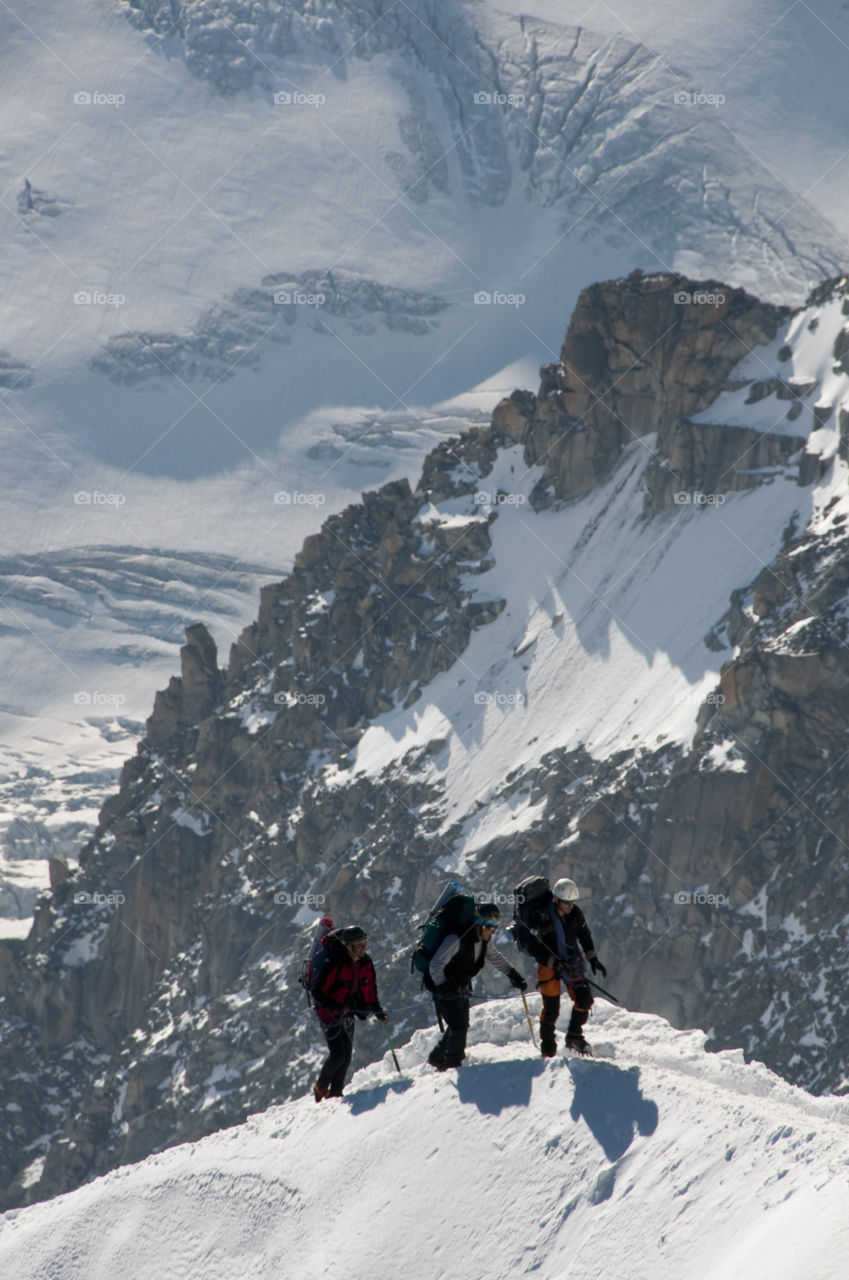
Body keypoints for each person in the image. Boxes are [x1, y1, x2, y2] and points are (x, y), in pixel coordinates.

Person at [426, 902, 527, 1071]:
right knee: (459, 1025)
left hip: (460, 987)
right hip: (443, 988)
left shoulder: (483, 941)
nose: (493, 931)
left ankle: (437, 1058)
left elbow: (496, 958)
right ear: (479, 922)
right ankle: (452, 1064)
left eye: (495, 926)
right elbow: (435, 965)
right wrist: (444, 988)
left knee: (461, 1023)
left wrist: (514, 975)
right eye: (490, 925)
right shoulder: (456, 939)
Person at [518, 878, 606, 1057]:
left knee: (585, 1000)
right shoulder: (541, 916)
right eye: (567, 902)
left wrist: (593, 958)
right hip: (549, 965)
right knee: (551, 1009)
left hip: (571, 962)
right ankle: (548, 1048)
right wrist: (554, 962)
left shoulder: (575, 914)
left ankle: (574, 1036)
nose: (570, 906)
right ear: (556, 899)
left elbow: (584, 934)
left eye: (572, 902)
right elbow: (532, 945)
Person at [311, 925, 387, 1101]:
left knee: (346, 1055)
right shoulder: (333, 963)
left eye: (365, 943)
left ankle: (336, 1093)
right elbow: (317, 992)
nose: (363, 947)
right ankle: (321, 1087)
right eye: (359, 944)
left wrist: (378, 1011)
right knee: (338, 1055)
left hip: (346, 1009)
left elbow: (369, 991)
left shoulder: (365, 963)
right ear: (348, 946)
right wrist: (335, 1007)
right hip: (328, 1012)